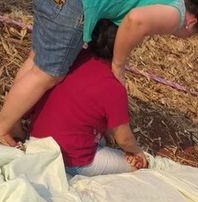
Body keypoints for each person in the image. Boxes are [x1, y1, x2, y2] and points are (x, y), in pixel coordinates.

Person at [0, 0, 198, 146]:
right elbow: (135, 20)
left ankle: (13, 122)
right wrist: (119, 64)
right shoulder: (178, 15)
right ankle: (0, 129)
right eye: (189, 34)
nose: (182, 35)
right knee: (48, 73)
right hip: (74, 7)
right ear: (192, 23)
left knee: (37, 59)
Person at [27, 19, 146, 176]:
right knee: (135, 165)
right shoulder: (114, 88)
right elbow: (124, 139)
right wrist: (137, 152)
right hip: (70, 159)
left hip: (38, 138)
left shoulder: (75, 56)